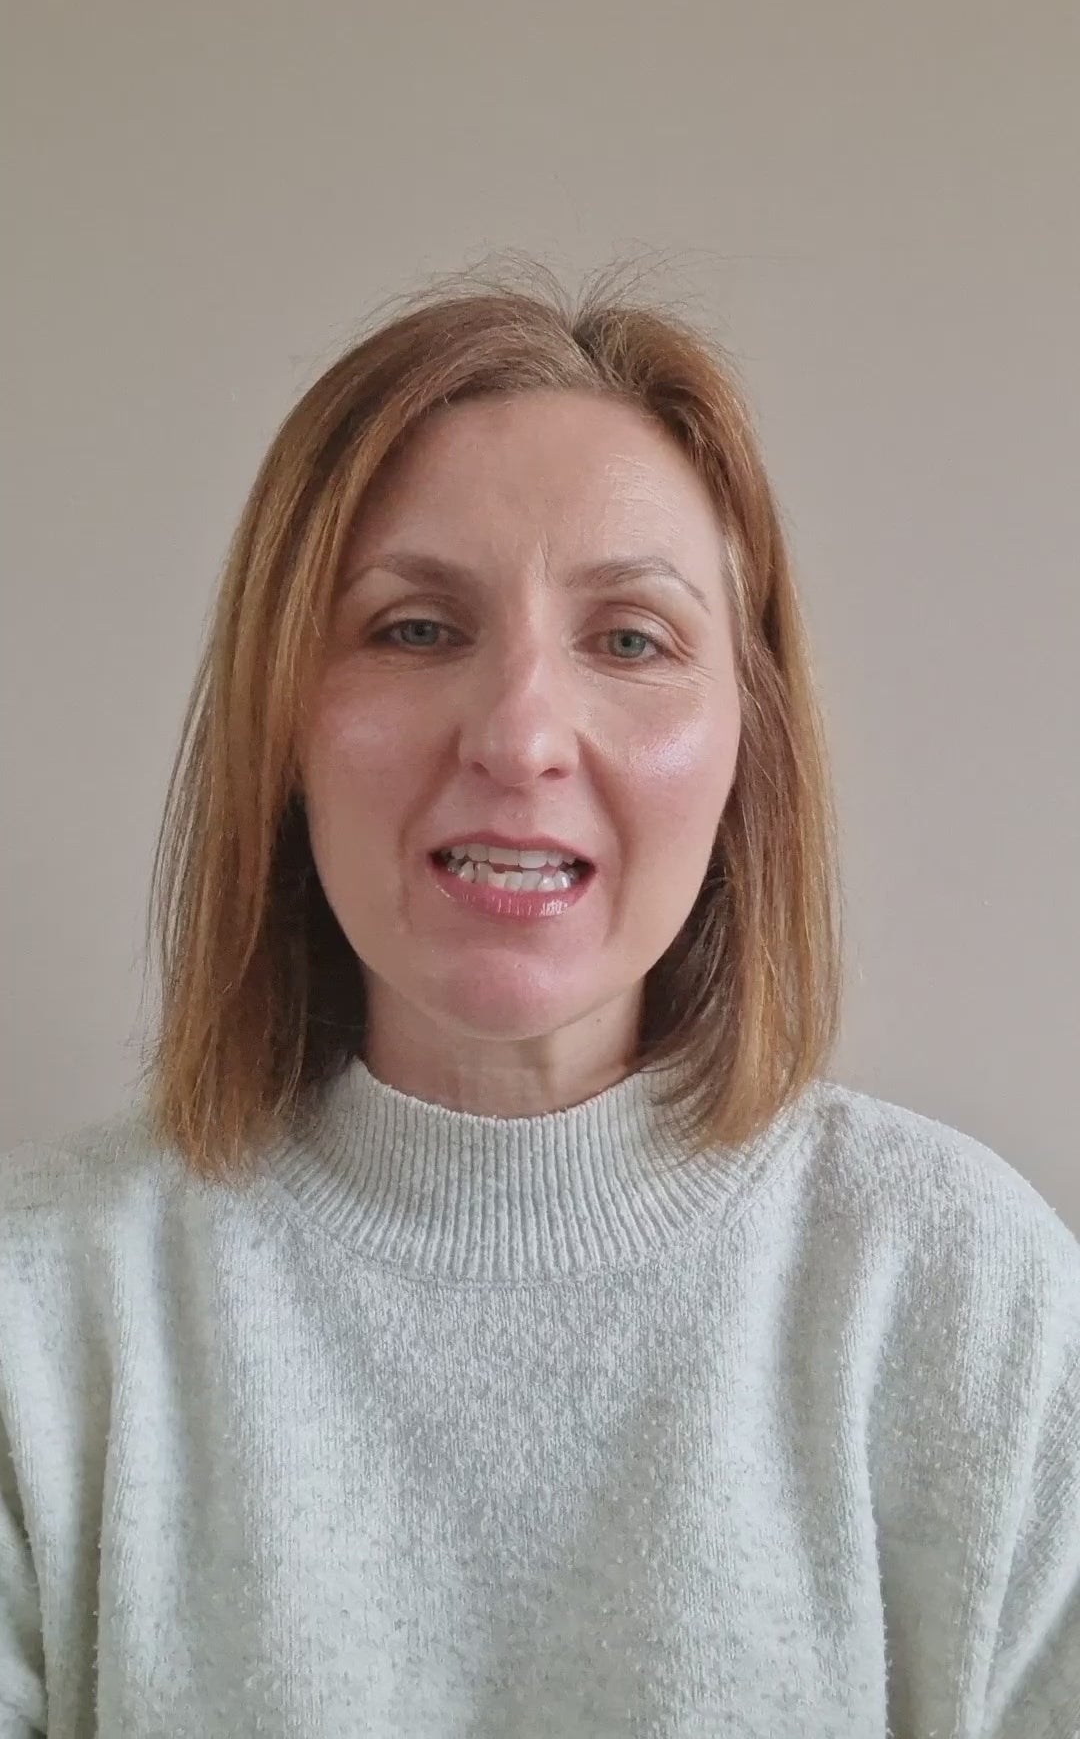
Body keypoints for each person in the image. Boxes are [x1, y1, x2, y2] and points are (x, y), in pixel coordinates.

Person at [1, 265, 1077, 1738]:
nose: (518, 737)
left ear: (748, 743)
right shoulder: (43, 1317)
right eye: (415, 629)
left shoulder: (962, 1299)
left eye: (630, 639)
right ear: (282, 722)